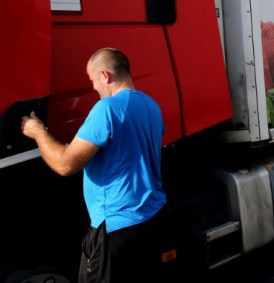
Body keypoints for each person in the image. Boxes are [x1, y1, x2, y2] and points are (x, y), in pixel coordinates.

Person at [21, 47, 168, 282]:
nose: (93, 88)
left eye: (92, 80)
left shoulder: (107, 109)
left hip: (117, 227)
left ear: (105, 75)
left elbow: (65, 164)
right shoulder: (150, 105)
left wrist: (38, 132)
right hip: (152, 217)